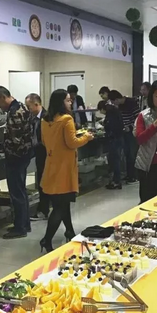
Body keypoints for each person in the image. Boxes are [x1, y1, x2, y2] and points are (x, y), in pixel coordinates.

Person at [40, 89, 94, 253]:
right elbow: (72, 143)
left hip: (51, 166)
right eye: (68, 100)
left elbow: (45, 141)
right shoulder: (66, 119)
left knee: (62, 203)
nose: (71, 103)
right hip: (64, 168)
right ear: (61, 102)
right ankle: (46, 239)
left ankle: (69, 231)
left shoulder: (45, 120)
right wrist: (86, 137)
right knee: (60, 207)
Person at [0, 86, 33, 239]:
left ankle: (20, 228)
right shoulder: (22, 107)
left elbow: (14, 140)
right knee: (21, 192)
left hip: (16, 157)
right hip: (24, 155)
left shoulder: (14, 112)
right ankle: (24, 224)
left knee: (16, 193)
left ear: (3, 97)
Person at [25, 93, 50, 221]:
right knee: (41, 181)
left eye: (29, 106)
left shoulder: (47, 117)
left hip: (46, 154)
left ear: (36, 104)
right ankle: (43, 208)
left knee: (45, 182)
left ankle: (44, 210)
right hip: (37, 153)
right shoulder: (32, 118)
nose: (28, 109)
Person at [108, 90, 139, 184]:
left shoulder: (131, 103)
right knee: (126, 154)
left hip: (131, 132)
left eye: (113, 102)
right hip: (123, 132)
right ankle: (128, 175)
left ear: (117, 99)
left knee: (131, 154)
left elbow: (138, 118)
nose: (114, 104)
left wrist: (130, 127)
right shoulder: (119, 106)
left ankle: (133, 176)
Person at [97, 100, 124, 190]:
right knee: (116, 160)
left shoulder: (110, 114)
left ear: (102, 108)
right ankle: (116, 181)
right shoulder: (114, 111)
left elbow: (110, 126)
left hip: (114, 139)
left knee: (114, 161)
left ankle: (116, 181)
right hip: (119, 138)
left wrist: (105, 127)